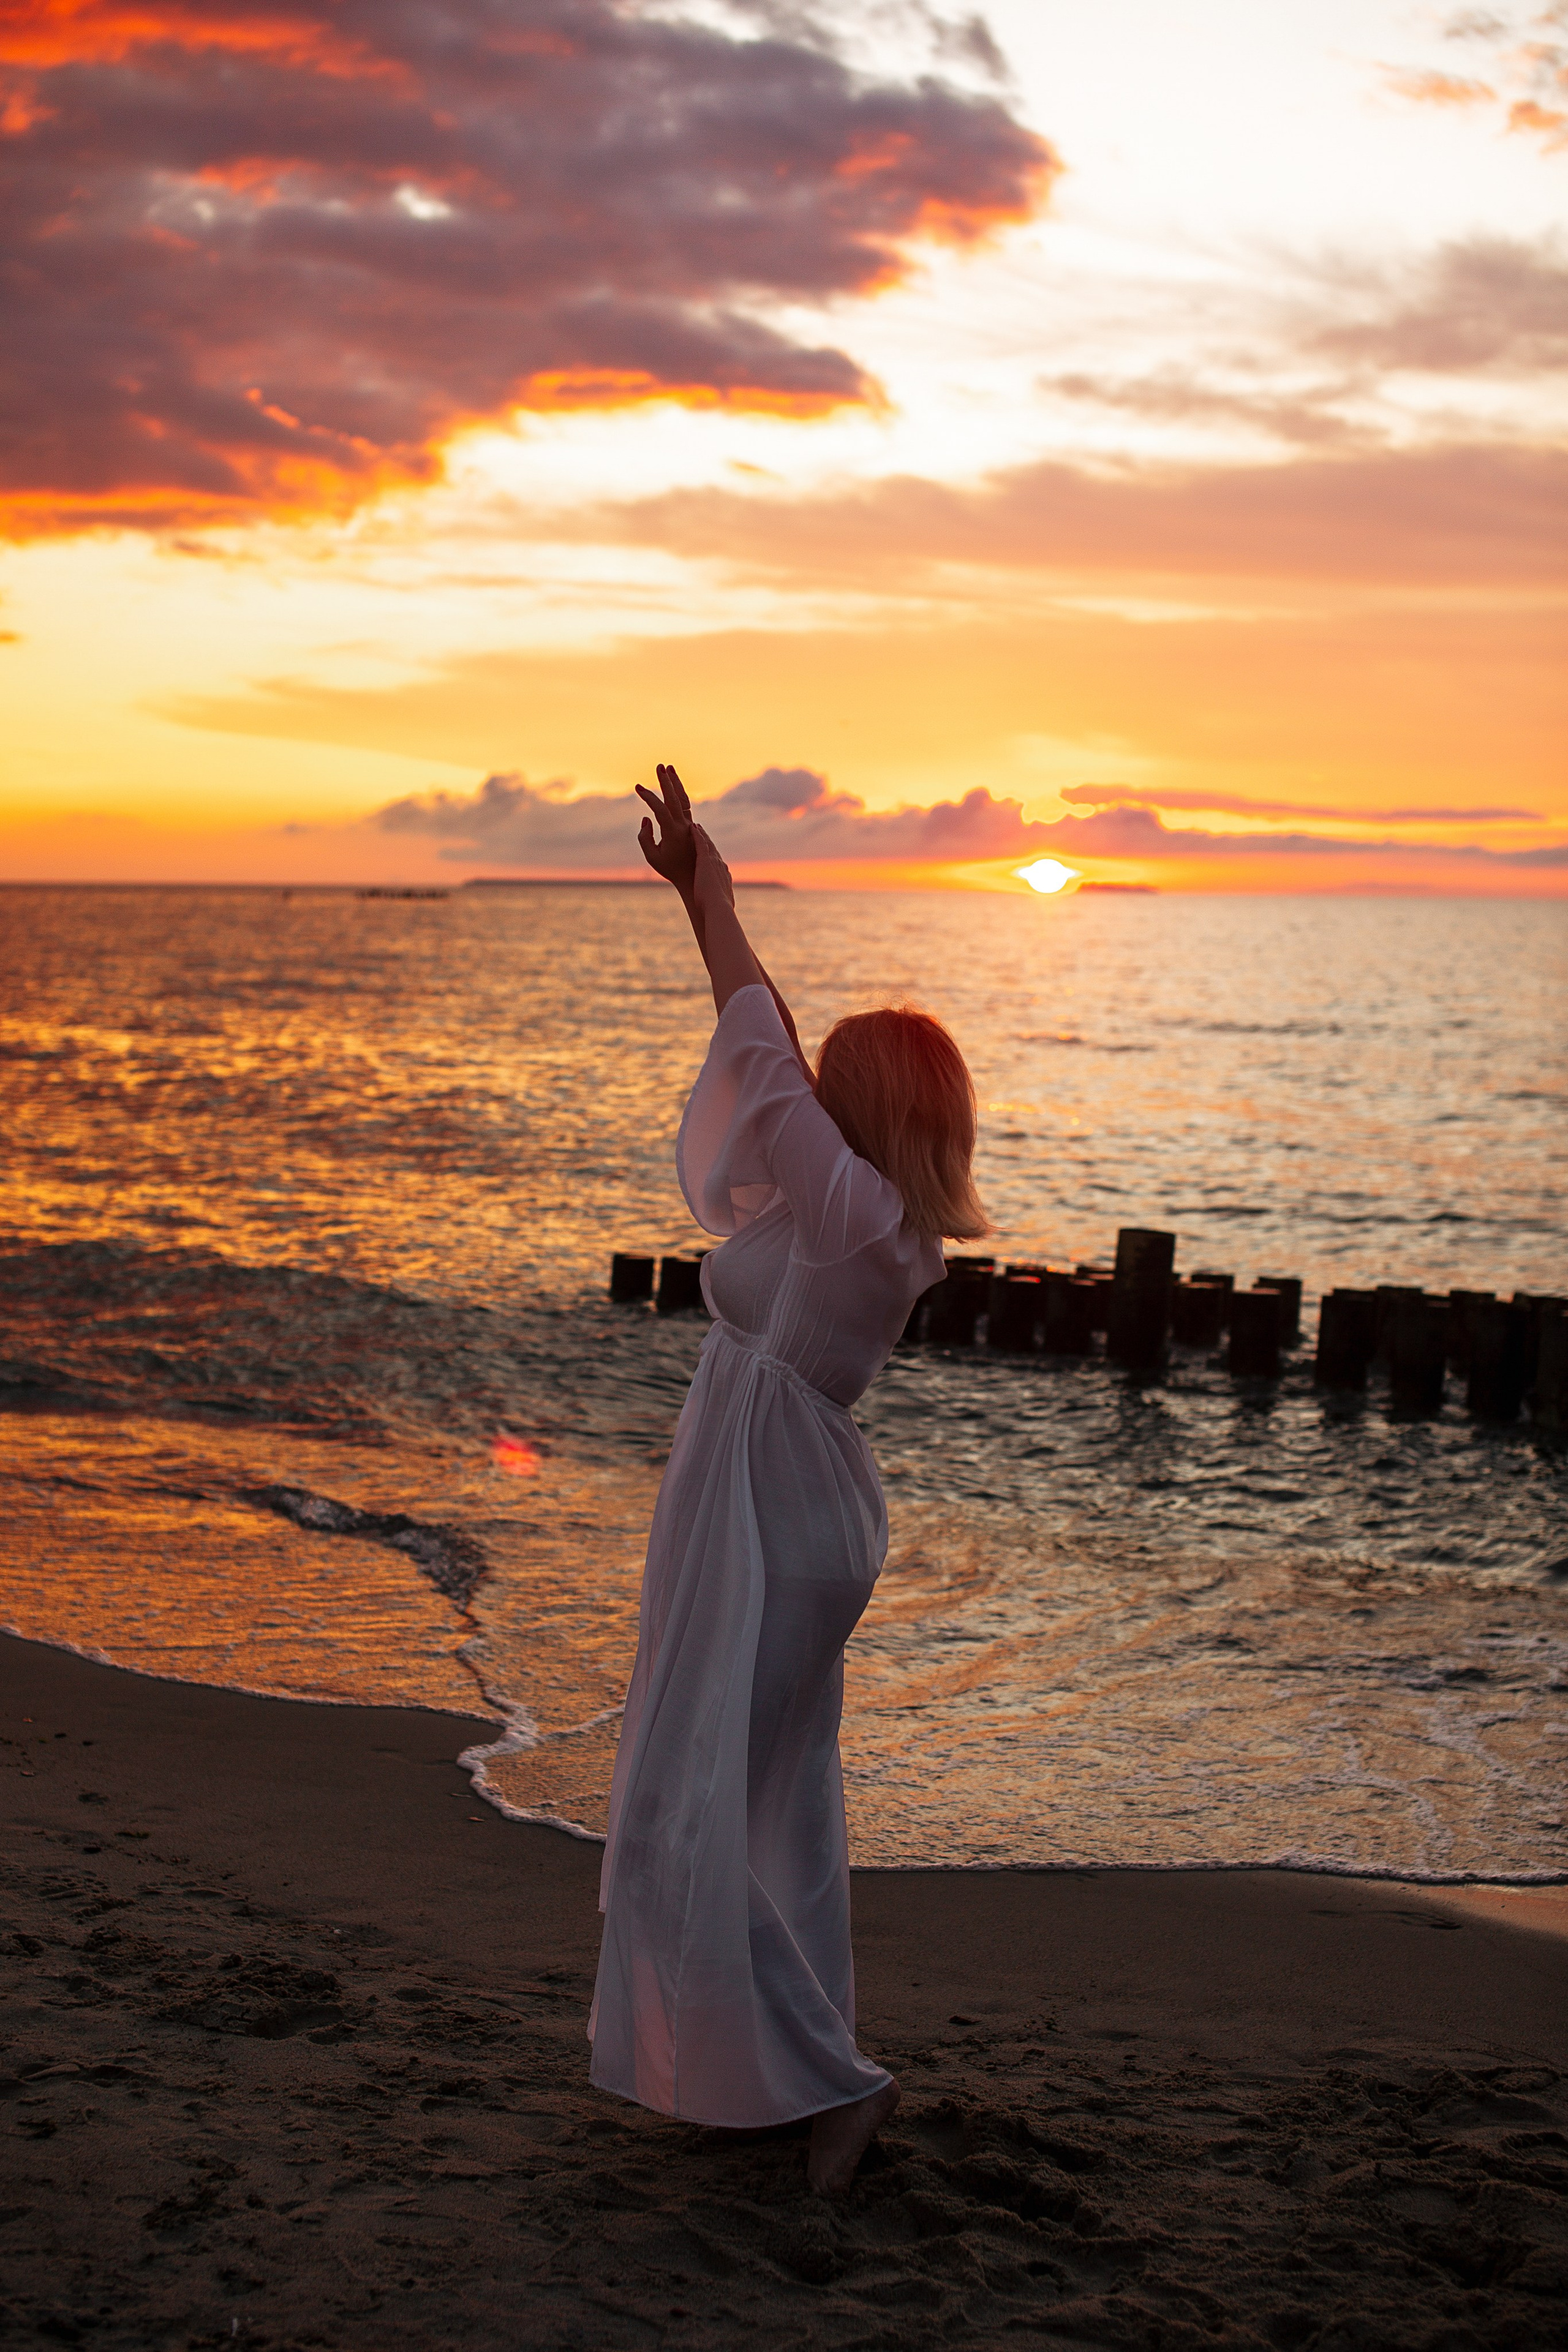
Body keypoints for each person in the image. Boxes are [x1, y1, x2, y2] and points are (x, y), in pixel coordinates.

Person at [588, 762, 989, 2193]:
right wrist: (704, 896)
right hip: (781, 1491)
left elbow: (749, 1034)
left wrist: (710, 892)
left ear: (867, 1106)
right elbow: (764, 1064)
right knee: (766, 1801)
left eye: (836, 1079)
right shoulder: (869, 1220)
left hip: (771, 1501)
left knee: (688, 1794)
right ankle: (774, 2074)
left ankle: (828, 2087)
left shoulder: (851, 1214)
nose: (806, 1086)